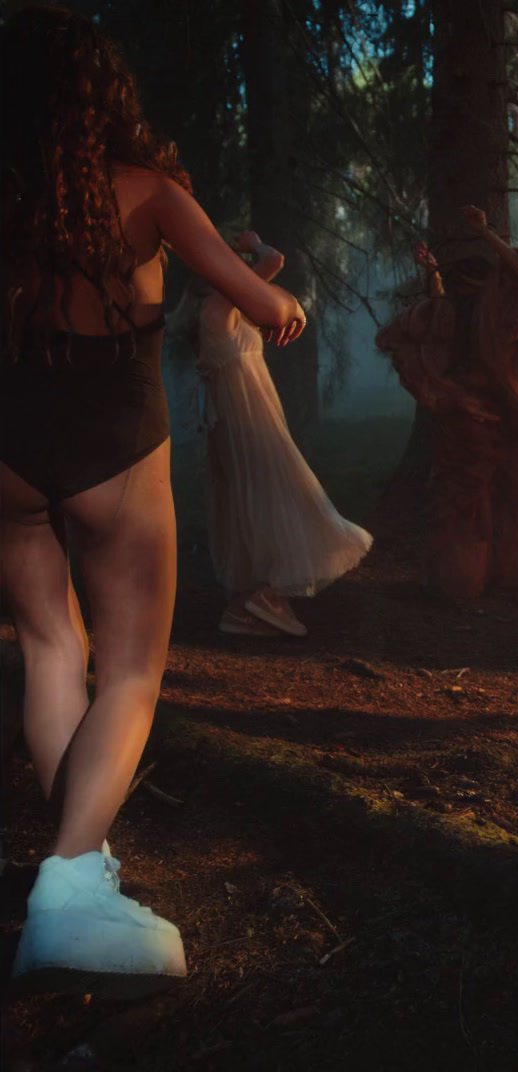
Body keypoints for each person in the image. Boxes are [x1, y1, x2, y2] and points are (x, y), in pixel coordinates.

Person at [0, 8, 306, 995]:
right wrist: (282, 300)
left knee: (52, 646)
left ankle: (82, 868)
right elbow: (260, 304)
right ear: (104, 94)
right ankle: (67, 886)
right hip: (114, 451)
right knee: (131, 665)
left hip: (6, 452)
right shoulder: (152, 193)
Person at [180, 231, 372, 637]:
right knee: (283, 496)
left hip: (240, 417)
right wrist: (254, 245)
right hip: (248, 418)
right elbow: (274, 261)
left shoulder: (212, 311)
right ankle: (268, 595)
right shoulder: (220, 305)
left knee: (258, 501)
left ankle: (249, 604)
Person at [376, 206, 518, 596]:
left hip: (511, 412)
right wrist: (445, 395)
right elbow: (435, 325)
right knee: (466, 498)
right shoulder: (449, 312)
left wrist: (485, 234)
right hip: (467, 415)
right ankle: (458, 578)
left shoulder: (500, 314)